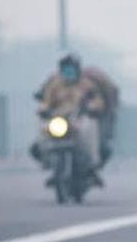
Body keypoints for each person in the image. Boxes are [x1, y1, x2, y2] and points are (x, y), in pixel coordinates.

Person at [33, 53, 107, 182]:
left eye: (71, 70)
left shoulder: (86, 84)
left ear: (77, 70)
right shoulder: (55, 84)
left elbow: (96, 99)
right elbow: (46, 101)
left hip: (79, 118)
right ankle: (47, 161)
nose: (68, 73)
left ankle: (92, 162)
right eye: (66, 70)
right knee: (42, 133)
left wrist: (93, 107)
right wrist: (43, 110)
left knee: (89, 128)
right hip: (59, 119)